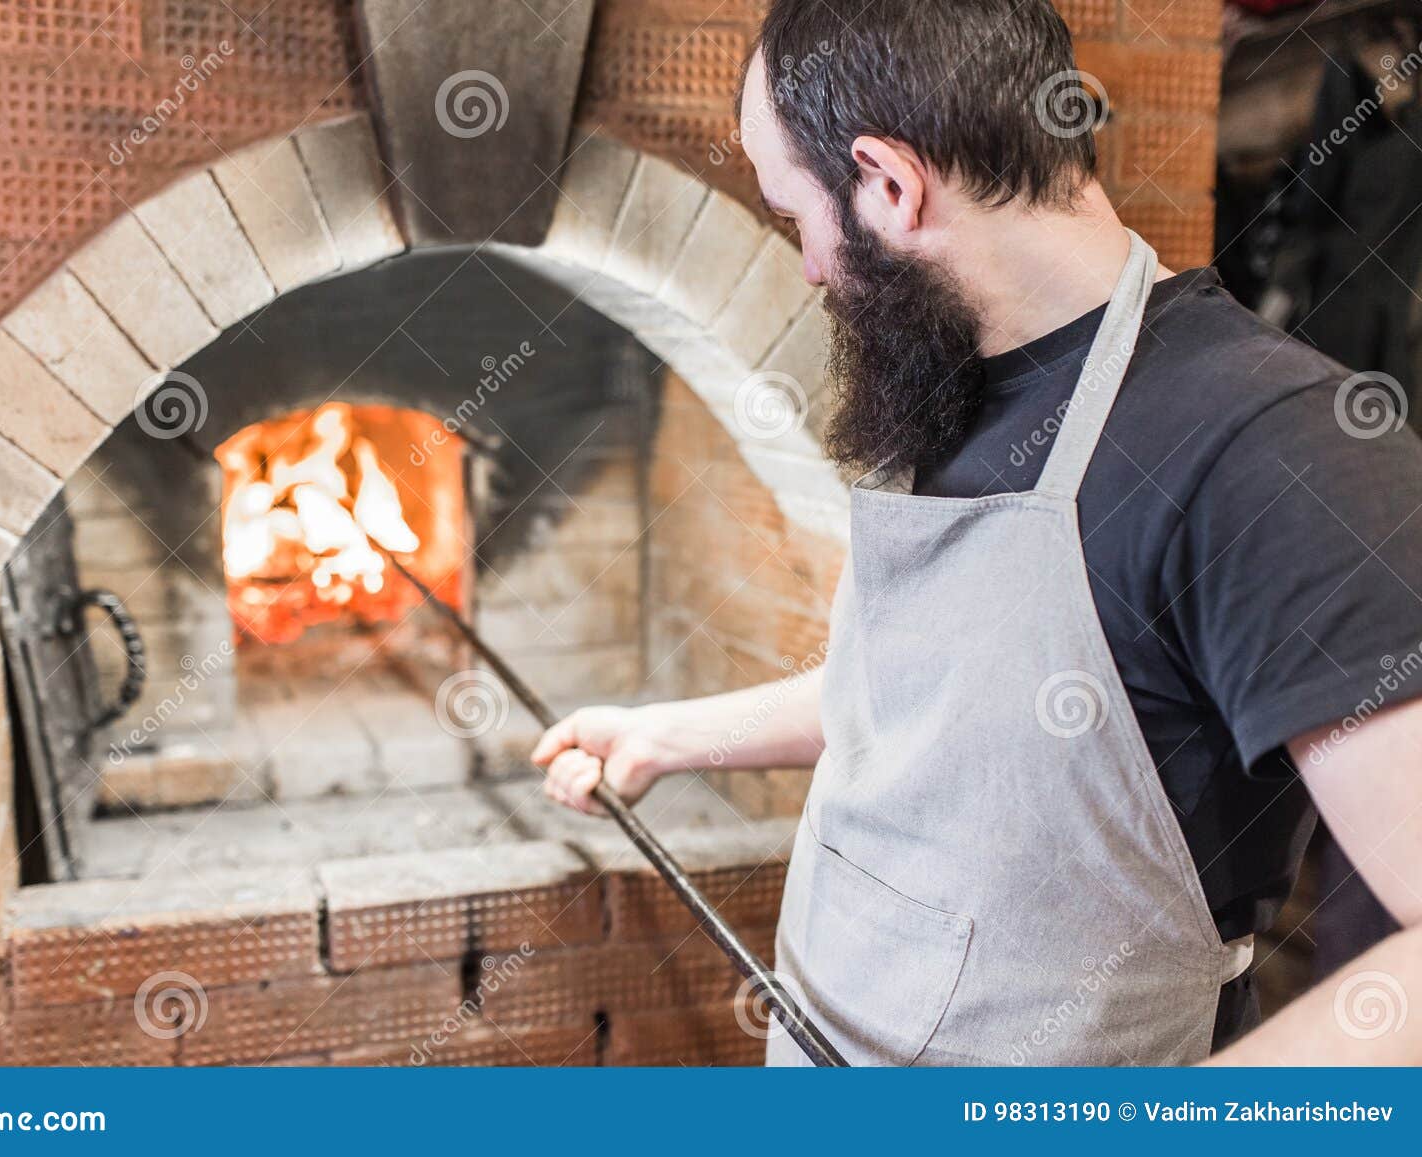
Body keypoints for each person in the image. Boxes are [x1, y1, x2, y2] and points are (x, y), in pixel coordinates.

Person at [532, 0, 1422, 1065]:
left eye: (792, 218)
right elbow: (956, 701)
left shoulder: (1276, 449)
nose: (810, 267)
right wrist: (672, 735)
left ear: (890, 184)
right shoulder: (949, 383)